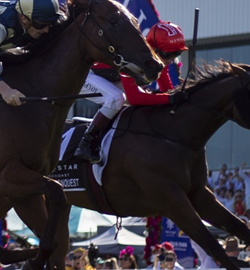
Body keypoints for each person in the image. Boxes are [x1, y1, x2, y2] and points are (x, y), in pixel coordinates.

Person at [75, 20, 188, 163]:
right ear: (154, 49)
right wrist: (169, 98)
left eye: (175, 54)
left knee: (146, 98)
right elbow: (134, 98)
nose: (170, 61)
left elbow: (167, 91)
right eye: (167, 55)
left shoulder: (158, 57)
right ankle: (85, 143)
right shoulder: (132, 54)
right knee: (117, 98)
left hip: (110, 78)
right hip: (85, 74)